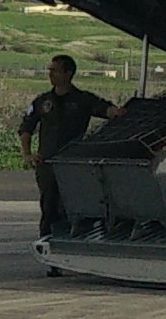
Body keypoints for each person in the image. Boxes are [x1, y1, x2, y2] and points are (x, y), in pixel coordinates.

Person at [17, 53, 114, 237]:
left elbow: (104, 109)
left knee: (72, 207)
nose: (50, 74)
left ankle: (72, 241)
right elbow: (26, 128)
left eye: (55, 70)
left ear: (68, 73)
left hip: (72, 164)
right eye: (50, 70)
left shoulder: (82, 100)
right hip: (47, 165)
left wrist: (116, 111)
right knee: (49, 208)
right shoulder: (43, 101)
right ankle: (48, 243)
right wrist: (27, 154)